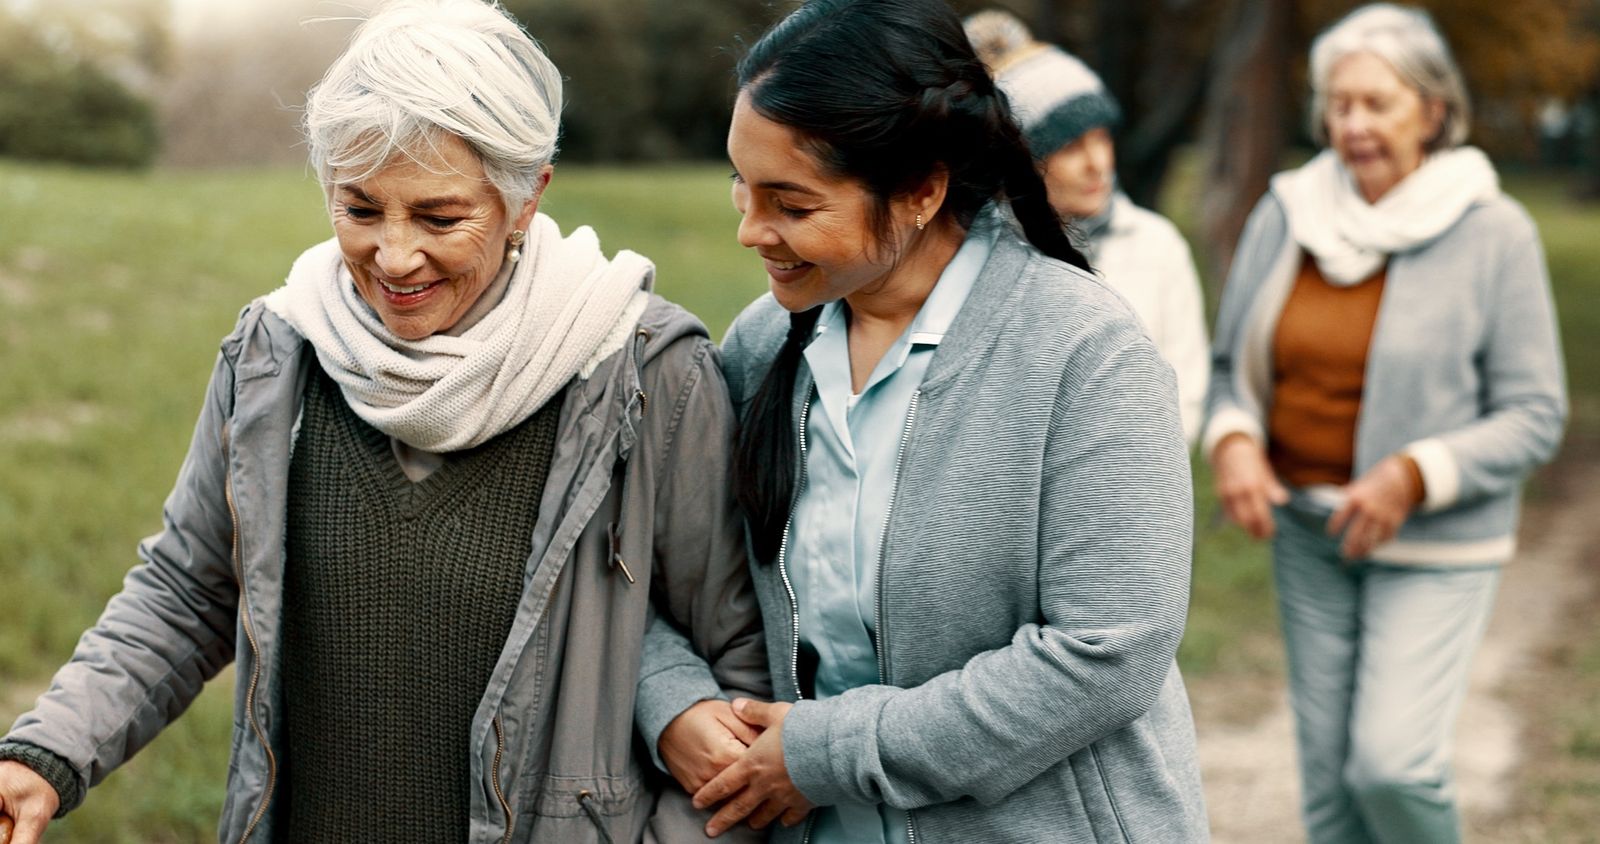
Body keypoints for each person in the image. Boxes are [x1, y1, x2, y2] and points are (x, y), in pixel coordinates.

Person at [0, 1, 768, 842]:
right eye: (360, 210)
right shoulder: (276, 353)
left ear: (526, 195)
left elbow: (737, 670)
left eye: (440, 218)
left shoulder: (648, 374)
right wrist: (45, 755)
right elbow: (188, 590)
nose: (395, 258)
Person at [689, 0, 1210, 840]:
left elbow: (1107, 653)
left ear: (922, 189)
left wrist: (823, 753)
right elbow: (665, 577)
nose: (752, 230)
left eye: (791, 203)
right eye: (742, 188)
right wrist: (674, 707)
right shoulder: (758, 347)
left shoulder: (1087, 353)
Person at [1203, 5, 1566, 842]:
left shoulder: (1492, 231)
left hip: (1436, 546)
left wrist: (1413, 474)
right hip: (1307, 531)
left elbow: (1536, 412)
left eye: (1378, 103)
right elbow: (1229, 370)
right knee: (1331, 792)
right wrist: (1234, 443)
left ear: (1433, 111)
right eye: (1339, 104)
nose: (1353, 125)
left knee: (1391, 767)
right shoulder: (1287, 212)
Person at [964, 9, 1210, 445]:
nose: (1099, 163)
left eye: (1103, 138)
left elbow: (1186, 389)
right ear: (1024, 162)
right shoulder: (978, 256)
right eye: (1071, 146)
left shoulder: (1157, 245)